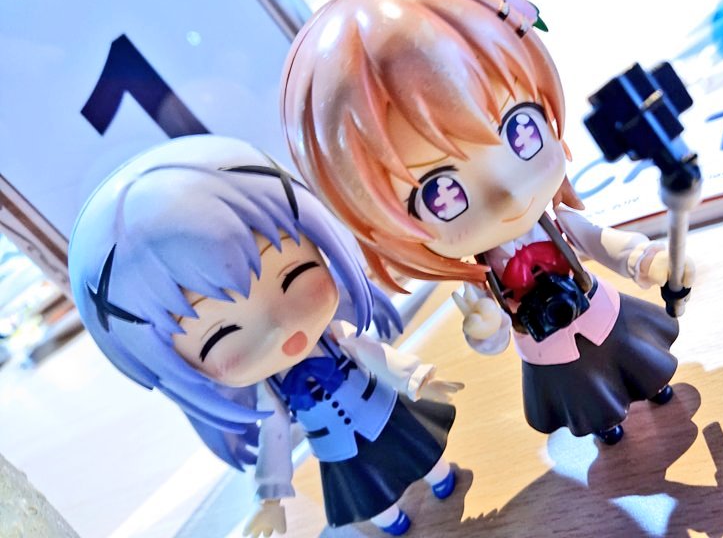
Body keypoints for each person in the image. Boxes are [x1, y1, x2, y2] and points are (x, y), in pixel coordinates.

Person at [281, 0, 692, 445]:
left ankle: (652, 385)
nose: (508, 195)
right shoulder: (483, 277)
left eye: (522, 131)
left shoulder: (555, 225)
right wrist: (485, 328)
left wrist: (645, 259)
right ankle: (607, 422)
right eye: (442, 193)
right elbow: (492, 336)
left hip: (600, 313)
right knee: (588, 399)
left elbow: (598, 240)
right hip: (549, 352)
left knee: (642, 362)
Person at [68, 136, 462, 536]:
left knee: (420, 449)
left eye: (294, 276)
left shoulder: (335, 339)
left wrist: (416, 378)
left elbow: (373, 353)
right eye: (221, 334)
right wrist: (269, 498)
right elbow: (275, 438)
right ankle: (391, 518)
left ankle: (439, 476)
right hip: (335, 448)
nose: (277, 329)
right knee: (369, 493)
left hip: (378, 409)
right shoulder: (270, 392)